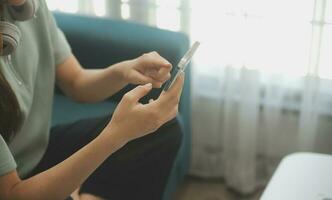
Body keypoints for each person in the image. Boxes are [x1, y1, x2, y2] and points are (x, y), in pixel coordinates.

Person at [0, 0, 184, 200]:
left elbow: (76, 82)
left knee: (164, 129)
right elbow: (12, 194)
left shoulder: (30, 7)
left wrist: (124, 71)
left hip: (37, 150)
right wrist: (116, 135)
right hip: (16, 185)